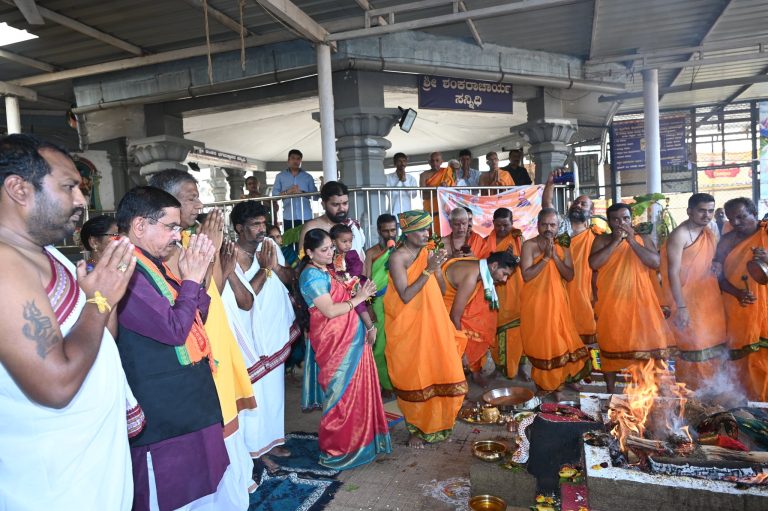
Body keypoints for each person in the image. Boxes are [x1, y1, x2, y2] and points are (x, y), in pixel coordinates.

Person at [0, 134, 134, 510]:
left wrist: (107, 297)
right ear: (18, 189)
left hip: (89, 467)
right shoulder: (5, 263)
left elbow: (100, 338)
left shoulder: (48, 253)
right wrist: (100, 298)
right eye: (69, 187)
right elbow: (55, 385)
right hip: (51, 485)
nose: (81, 200)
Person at [148, 169, 258, 505]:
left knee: (231, 430)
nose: (200, 204)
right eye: (191, 196)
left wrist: (213, 254)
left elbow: (214, 292)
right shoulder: (165, 249)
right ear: (167, 202)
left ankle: (239, 487)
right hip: (198, 351)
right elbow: (190, 298)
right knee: (217, 432)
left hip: (218, 341)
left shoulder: (189, 241)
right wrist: (208, 251)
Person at [115, 186, 228, 511]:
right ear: (139, 226)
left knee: (204, 495)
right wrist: (191, 279)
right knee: (169, 499)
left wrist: (199, 275)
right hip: (164, 416)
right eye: (171, 227)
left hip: (188, 406)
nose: (179, 236)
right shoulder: (126, 270)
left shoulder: (153, 265)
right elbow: (175, 330)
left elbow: (195, 316)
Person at [299, 228, 391, 468]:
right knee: (339, 397)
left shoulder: (327, 270)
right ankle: (336, 450)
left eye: (331, 247)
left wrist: (367, 324)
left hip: (351, 337)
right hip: (333, 342)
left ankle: (360, 444)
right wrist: (360, 298)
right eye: (324, 249)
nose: (331, 252)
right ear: (309, 252)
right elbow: (329, 310)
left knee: (357, 393)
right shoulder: (311, 277)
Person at [384, 210, 467, 448]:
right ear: (407, 232)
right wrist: (429, 269)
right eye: (420, 230)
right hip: (408, 325)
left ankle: (439, 425)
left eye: (427, 229)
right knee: (415, 377)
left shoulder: (428, 252)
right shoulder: (398, 257)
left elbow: (440, 291)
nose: (426, 234)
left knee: (442, 371)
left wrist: (438, 268)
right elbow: (406, 295)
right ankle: (417, 430)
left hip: (433, 322)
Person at [226, 201, 299, 466]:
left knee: (273, 391)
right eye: (255, 225)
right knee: (254, 394)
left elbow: (290, 278)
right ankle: (253, 448)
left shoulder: (270, 247)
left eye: (263, 223)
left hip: (273, 333)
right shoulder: (229, 256)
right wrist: (266, 269)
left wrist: (275, 267)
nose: (261, 229)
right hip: (246, 339)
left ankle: (273, 440)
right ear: (239, 228)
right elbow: (242, 300)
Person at [589, 203, 674, 394]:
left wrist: (632, 242)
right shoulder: (602, 240)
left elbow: (655, 262)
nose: (621, 223)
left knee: (648, 346)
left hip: (642, 304)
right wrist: (615, 242)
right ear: (609, 222)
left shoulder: (642, 239)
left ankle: (649, 392)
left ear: (631, 220)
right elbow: (594, 263)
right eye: (616, 219)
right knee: (610, 346)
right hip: (613, 304)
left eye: (625, 219)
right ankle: (611, 391)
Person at [520, 208, 589, 397]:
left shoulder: (563, 246)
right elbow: (526, 275)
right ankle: (544, 385)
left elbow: (569, 275)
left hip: (558, 303)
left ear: (558, 227)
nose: (548, 228)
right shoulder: (529, 246)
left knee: (560, 343)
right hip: (536, 304)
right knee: (542, 344)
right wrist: (545, 258)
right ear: (538, 225)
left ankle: (558, 383)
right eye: (544, 224)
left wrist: (555, 257)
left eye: (552, 225)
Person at [661, 193, 727, 391]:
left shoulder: (709, 231)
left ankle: (713, 394)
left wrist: (716, 266)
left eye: (710, 211)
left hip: (709, 300)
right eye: (701, 210)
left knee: (713, 346)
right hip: (686, 301)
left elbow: (711, 260)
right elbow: (672, 272)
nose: (706, 215)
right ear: (689, 211)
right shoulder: (680, 234)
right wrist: (681, 306)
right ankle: (691, 396)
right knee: (693, 347)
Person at [715, 197, 768, 401]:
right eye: (731, 219)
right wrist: (737, 293)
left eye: (741, 216)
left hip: (764, 308)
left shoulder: (765, 233)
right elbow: (718, 277)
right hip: (737, 308)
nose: (736, 223)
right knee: (741, 359)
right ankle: (745, 406)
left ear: (754, 213)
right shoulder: (727, 240)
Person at [442, 251, 519, 387]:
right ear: (494, 266)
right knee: (450, 359)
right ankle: (457, 398)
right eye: (504, 274)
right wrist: (461, 351)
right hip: (439, 312)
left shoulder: (478, 265)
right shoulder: (471, 277)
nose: (504, 280)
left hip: (446, 308)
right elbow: (454, 316)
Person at [543, 170, 600, 343]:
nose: (577, 206)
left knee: (586, 341)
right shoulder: (560, 227)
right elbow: (547, 205)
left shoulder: (597, 237)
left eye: (583, 204)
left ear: (591, 211)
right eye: (575, 203)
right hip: (558, 290)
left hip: (585, 294)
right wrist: (550, 183)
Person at [477, 208, 526, 380]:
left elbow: (524, 262)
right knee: (495, 332)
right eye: (498, 225)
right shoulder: (486, 241)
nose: (502, 229)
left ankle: (520, 367)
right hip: (492, 292)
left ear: (512, 223)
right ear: (493, 223)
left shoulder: (519, 239)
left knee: (518, 333)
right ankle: (498, 368)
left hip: (515, 292)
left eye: (506, 225)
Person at [363, 214, 398, 394]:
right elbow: (365, 281)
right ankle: (383, 384)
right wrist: (368, 307)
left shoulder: (402, 249)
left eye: (393, 230)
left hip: (399, 301)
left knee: (398, 343)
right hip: (378, 302)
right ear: (379, 231)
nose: (390, 234)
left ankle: (399, 382)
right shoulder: (371, 253)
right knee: (379, 345)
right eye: (385, 231)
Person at [299, 180, 365, 261]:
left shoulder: (353, 226)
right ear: (323, 205)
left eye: (345, 203)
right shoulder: (311, 228)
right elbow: (303, 260)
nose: (341, 208)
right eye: (335, 204)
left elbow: (361, 258)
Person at [271, 149, 318, 232]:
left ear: (301, 161)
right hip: (289, 217)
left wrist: (302, 193)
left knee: (307, 242)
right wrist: (287, 192)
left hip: (306, 216)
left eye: (298, 158)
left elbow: (315, 197)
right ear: (288, 160)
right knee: (290, 243)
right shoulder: (280, 176)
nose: (296, 161)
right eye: (293, 158)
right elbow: (274, 196)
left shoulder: (308, 177)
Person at [420, 151, 454, 235]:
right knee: (431, 238)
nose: (434, 163)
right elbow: (424, 195)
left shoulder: (447, 172)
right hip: (430, 211)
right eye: (432, 161)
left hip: (445, 212)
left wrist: (440, 190)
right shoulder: (423, 175)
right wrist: (439, 190)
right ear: (429, 162)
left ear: (442, 161)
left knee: (446, 238)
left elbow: (451, 192)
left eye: (437, 160)